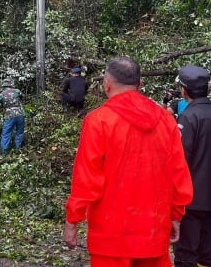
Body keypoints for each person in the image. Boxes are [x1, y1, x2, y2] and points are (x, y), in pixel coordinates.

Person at [63, 56, 193, 266]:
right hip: (153, 230)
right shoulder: (165, 120)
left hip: (110, 234)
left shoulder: (99, 121)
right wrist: (176, 214)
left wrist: (72, 220)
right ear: (140, 85)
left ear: (106, 84)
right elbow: (178, 172)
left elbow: (87, 177)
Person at [173, 65, 211, 267]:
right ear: (208, 89)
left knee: (186, 251)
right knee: (206, 250)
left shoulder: (188, 117)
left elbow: (180, 160)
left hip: (189, 197)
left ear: (183, 89)